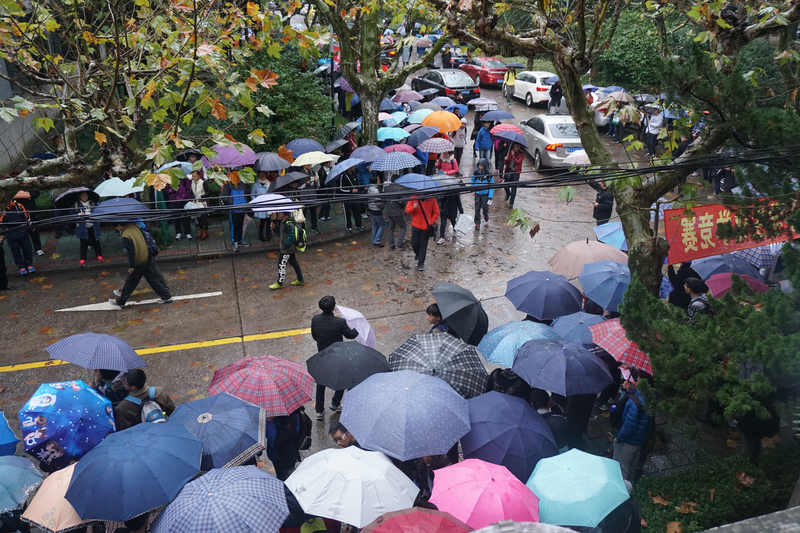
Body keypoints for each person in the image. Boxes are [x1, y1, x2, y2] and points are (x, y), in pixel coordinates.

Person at [311, 296, 359, 420]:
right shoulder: (340, 322)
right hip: (338, 355)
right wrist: (357, 327)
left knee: (320, 384)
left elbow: (314, 336)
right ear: (334, 308)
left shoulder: (315, 319)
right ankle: (335, 403)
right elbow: (350, 335)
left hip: (322, 355)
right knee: (342, 378)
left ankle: (319, 411)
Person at [108, 221, 173, 308]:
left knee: (130, 282)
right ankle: (166, 296)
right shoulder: (135, 226)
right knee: (152, 279)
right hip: (146, 256)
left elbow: (131, 253)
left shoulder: (126, 235)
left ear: (119, 225)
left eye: (116, 227)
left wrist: (131, 267)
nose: (117, 229)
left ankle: (121, 301)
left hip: (138, 261)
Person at [612, 367, 652, 481]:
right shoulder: (651, 396)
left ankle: (622, 493)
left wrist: (618, 439)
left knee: (621, 469)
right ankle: (630, 486)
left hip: (628, 441)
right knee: (631, 466)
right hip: (639, 439)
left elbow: (628, 426)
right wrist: (629, 391)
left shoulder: (635, 403)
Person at [269, 211, 304, 290]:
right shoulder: (284, 222)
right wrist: (275, 227)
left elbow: (290, 237)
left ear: (284, 213)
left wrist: (284, 246)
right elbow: (282, 232)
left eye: (279, 212)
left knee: (281, 264)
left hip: (287, 250)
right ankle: (300, 279)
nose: (278, 213)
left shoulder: (289, 224)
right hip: (289, 249)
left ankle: (279, 283)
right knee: (293, 263)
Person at [0, 197, 34, 275]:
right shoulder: (2, 210)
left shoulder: (18, 206)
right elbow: (1, 223)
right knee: (15, 251)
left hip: (22, 232)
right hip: (10, 234)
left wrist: (28, 225)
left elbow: (26, 216)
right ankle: (21, 266)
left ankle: (29, 264)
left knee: (27, 249)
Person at [405, 194, 439, 271]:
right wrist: (413, 207)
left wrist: (430, 222)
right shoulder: (413, 198)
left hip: (426, 227)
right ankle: (417, 253)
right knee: (414, 243)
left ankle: (421, 263)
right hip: (415, 226)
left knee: (423, 245)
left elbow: (436, 212)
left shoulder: (432, 199)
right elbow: (407, 211)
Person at [267, 409, 302, 480]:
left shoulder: (291, 418)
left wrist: (268, 421)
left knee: (284, 478)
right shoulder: (292, 411)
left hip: (284, 455)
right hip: (282, 453)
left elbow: (275, 440)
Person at [220, 172, 250, 251]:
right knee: (234, 226)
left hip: (242, 208)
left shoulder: (242, 183)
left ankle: (240, 240)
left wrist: (244, 202)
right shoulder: (228, 184)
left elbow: (246, 193)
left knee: (240, 225)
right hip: (233, 209)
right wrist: (232, 203)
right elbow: (224, 196)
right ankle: (235, 242)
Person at [72, 191, 103, 267]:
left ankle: (99, 255)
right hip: (83, 227)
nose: (85, 197)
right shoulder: (76, 205)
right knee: (83, 243)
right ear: (79, 196)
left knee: (96, 241)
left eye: (86, 195)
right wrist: (79, 214)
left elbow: (98, 211)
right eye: (82, 195)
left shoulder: (92, 203)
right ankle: (83, 258)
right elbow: (71, 214)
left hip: (93, 225)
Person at [164, 174, 193, 240]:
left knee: (186, 217)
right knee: (176, 217)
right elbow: (166, 189)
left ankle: (187, 232)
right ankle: (178, 232)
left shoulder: (183, 177)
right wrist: (172, 189)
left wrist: (189, 198)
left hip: (184, 199)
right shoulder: (168, 178)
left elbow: (188, 187)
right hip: (174, 200)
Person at [339, 166, 363, 233]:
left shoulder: (354, 173)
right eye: (352, 167)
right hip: (347, 197)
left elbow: (357, 183)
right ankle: (348, 226)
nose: (354, 168)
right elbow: (341, 188)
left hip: (355, 196)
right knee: (348, 212)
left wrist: (358, 190)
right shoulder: (343, 176)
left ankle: (358, 225)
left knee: (357, 210)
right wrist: (350, 190)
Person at [471, 158, 493, 229]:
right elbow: (472, 180)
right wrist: (472, 188)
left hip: (485, 194)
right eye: (479, 165)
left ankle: (485, 213)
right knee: (477, 209)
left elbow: (492, 186)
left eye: (481, 165)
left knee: (485, 207)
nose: (480, 167)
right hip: (477, 194)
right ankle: (477, 223)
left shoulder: (488, 174)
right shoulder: (476, 172)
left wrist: (490, 196)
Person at [189, 169, 211, 240]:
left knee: (204, 218)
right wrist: (193, 199)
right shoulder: (192, 182)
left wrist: (202, 197)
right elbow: (192, 192)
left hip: (202, 202)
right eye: (193, 176)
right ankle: (201, 230)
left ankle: (205, 230)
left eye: (195, 176)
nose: (193, 178)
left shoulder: (203, 183)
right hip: (196, 203)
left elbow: (209, 191)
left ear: (199, 176)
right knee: (198, 218)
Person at [251, 171, 272, 241]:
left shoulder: (269, 183)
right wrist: (257, 202)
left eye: (263, 176)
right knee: (262, 221)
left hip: (268, 205)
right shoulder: (255, 185)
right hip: (260, 205)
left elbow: (272, 193)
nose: (262, 177)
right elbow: (252, 195)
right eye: (260, 176)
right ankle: (260, 235)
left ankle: (268, 235)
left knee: (269, 221)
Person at [503, 143, 524, 208]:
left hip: (516, 172)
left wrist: (513, 156)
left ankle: (511, 202)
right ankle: (508, 194)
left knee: (514, 188)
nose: (516, 148)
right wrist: (505, 159)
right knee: (505, 185)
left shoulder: (521, 155)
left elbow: (518, 162)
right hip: (509, 171)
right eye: (515, 147)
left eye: (518, 147)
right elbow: (506, 162)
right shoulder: (510, 152)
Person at [367, 174, 385, 246]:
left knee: (375, 225)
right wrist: (383, 206)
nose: (379, 180)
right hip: (376, 210)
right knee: (382, 225)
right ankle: (377, 240)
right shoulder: (376, 190)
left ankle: (373, 240)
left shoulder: (370, 188)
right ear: (375, 181)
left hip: (371, 209)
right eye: (378, 180)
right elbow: (378, 202)